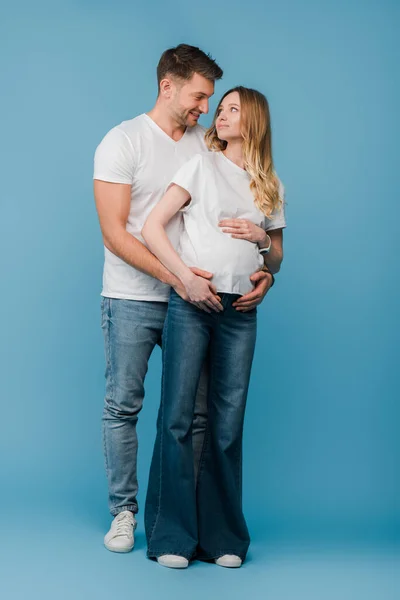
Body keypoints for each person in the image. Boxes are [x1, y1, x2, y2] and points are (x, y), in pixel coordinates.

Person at [142, 86, 286, 569]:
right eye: (218, 109)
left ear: (255, 121)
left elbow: (278, 259)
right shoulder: (201, 165)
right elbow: (152, 227)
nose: (219, 116)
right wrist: (184, 277)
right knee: (179, 418)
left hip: (241, 312)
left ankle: (222, 537)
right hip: (192, 302)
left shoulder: (269, 184)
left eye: (231, 110)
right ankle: (171, 538)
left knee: (226, 425)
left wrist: (264, 245)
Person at [93, 44, 224, 553]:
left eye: (210, 99)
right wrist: (177, 277)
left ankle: (179, 518)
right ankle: (123, 514)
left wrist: (263, 265)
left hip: (193, 302)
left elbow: (222, 210)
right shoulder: (122, 141)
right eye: (198, 96)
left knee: (193, 415)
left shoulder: (204, 145)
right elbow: (115, 234)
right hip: (130, 299)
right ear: (167, 85)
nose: (204, 108)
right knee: (123, 406)